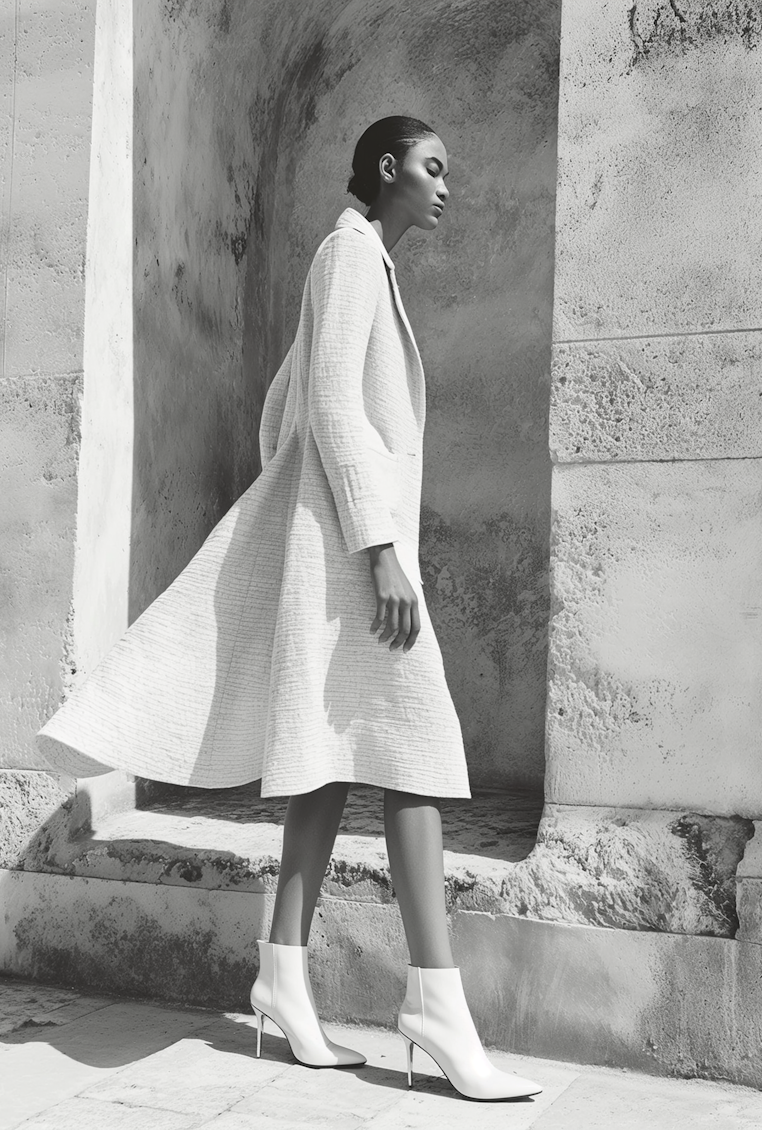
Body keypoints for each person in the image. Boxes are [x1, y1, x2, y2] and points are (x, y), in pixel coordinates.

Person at [35, 115, 540, 1102]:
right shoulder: (349, 255)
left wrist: (312, 512)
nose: (448, 187)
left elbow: (286, 402)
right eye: (435, 169)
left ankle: (280, 972)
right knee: (418, 756)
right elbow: (334, 411)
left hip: (339, 550)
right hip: (359, 558)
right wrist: (379, 549)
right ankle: (437, 1003)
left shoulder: (354, 259)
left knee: (323, 761)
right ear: (387, 168)